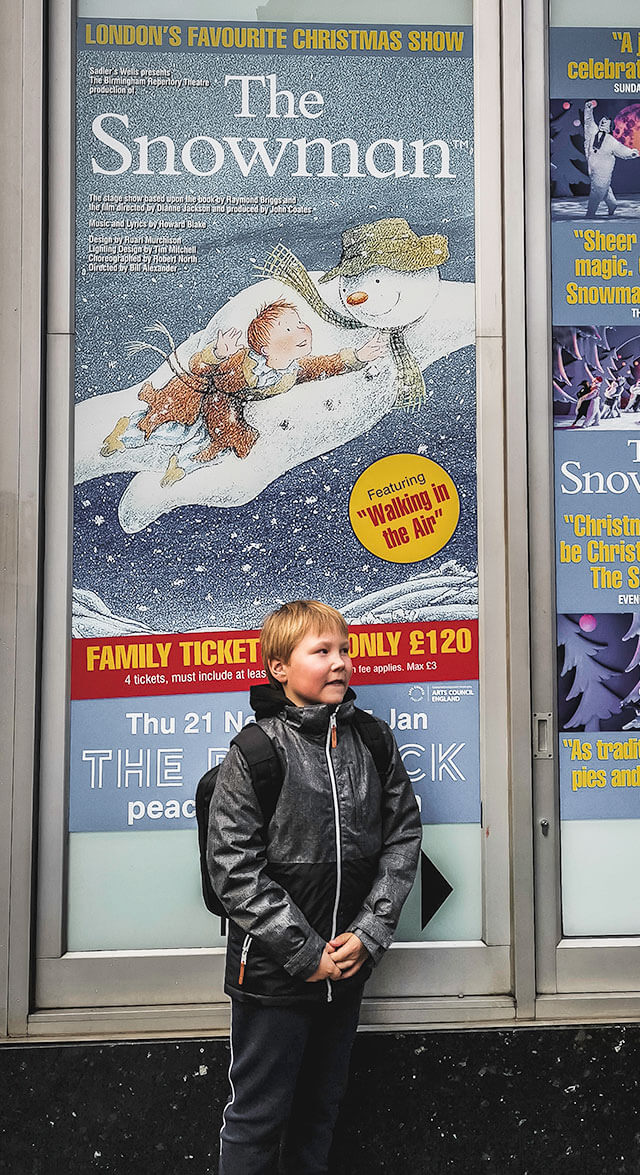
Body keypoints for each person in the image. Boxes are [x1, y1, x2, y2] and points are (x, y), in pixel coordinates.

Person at [207, 600, 422, 1175]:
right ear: (279, 667)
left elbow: (402, 838)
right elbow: (233, 866)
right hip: (274, 975)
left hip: (346, 968)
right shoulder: (256, 751)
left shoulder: (372, 741)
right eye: (321, 651)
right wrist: (305, 954)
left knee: (319, 1113)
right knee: (258, 1118)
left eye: (344, 649)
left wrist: (368, 934)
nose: (340, 662)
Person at [100, 301, 384, 486]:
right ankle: (125, 434)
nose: (301, 330)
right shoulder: (241, 360)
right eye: (288, 328)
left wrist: (358, 356)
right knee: (175, 427)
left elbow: (324, 365)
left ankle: (180, 466)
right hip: (200, 391)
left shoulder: (292, 369)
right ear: (265, 348)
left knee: (215, 440)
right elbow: (198, 367)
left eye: (299, 323)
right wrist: (217, 353)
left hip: (226, 404)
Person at [583, 100, 639, 218]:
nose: (603, 123)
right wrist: (588, 109)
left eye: (606, 123)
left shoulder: (611, 141)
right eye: (602, 121)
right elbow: (588, 121)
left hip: (603, 170)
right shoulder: (593, 132)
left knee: (598, 190)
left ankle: (590, 212)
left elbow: (622, 149)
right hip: (592, 168)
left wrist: (632, 153)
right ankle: (612, 204)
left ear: (609, 127)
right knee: (604, 188)